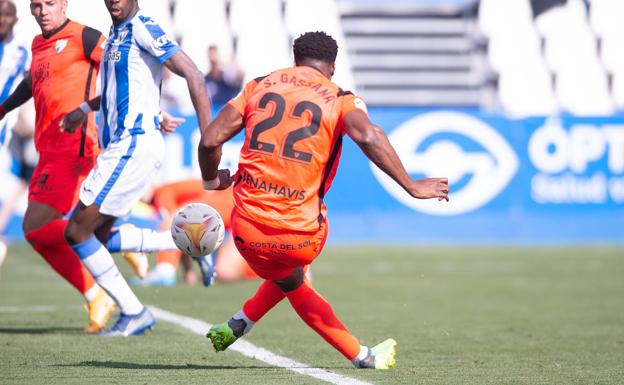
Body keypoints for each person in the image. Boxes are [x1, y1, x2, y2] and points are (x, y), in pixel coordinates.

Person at [198, 31, 449, 369]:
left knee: (287, 275)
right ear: (332, 66)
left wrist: (212, 180)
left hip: (244, 231)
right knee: (294, 273)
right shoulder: (340, 98)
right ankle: (364, 357)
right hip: (302, 236)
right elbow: (369, 134)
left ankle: (239, 324)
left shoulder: (259, 85)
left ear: (295, 60)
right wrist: (412, 186)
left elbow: (211, 139)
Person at [0, 0, 178, 334]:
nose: (43, 11)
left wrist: (153, 112)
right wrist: (4, 108)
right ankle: (117, 254)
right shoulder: (39, 44)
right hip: (48, 149)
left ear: (64, 4)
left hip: (76, 149)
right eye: (36, 5)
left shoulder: (86, 37)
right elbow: (31, 82)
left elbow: (128, 69)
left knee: (42, 229)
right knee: (47, 230)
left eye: (50, 3)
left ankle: (100, 289)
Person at [61, 0, 212, 336]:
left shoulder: (142, 26)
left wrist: (209, 140)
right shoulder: (116, 33)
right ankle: (191, 243)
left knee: (76, 231)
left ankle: (134, 312)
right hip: (122, 146)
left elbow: (194, 75)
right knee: (98, 235)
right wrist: (83, 109)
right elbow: (120, 89)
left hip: (132, 146)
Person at [131, 180, 257, 287]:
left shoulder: (162, 192)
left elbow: (174, 224)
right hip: (233, 199)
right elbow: (182, 235)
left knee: (171, 222)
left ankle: (165, 270)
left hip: (226, 198)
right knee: (225, 271)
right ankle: (269, 271)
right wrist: (188, 272)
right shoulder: (165, 193)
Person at [0, 0, 30, 267]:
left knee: (20, 181)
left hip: (4, 132)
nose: (1, 19)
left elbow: (30, 85)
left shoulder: (22, 51)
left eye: (6, 15)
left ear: (15, 19)